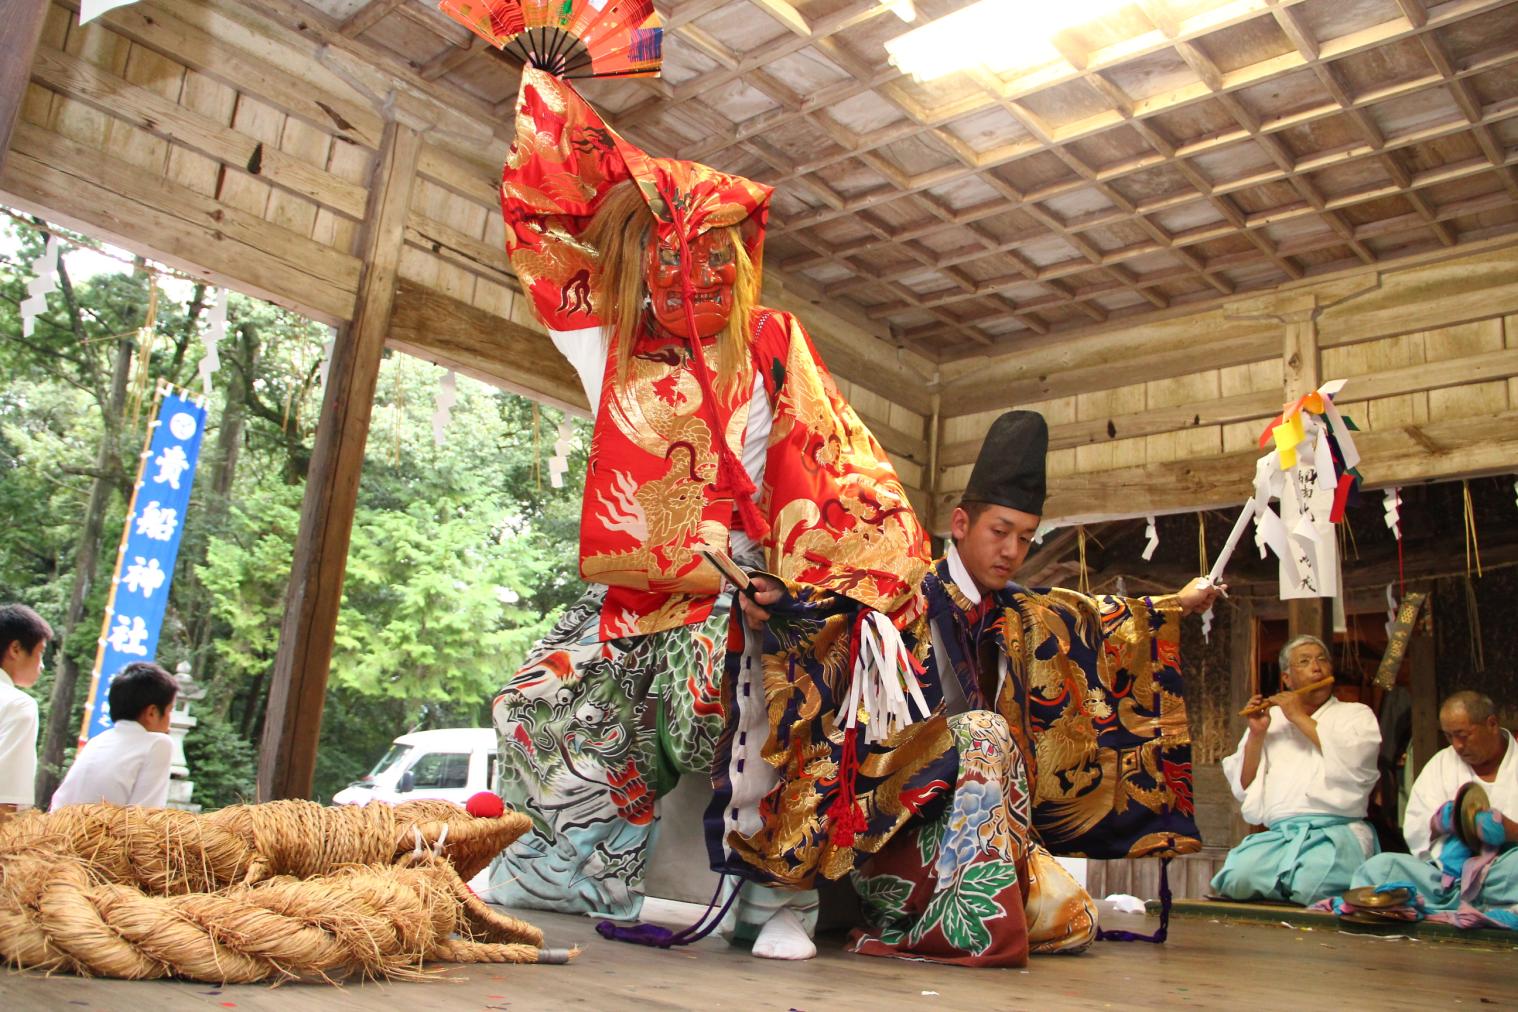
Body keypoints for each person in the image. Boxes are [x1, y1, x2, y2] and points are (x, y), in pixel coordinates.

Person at [485, 67, 929, 963]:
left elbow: (836, 455)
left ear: (746, 257)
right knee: (532, 694)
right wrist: (549, 91)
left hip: (766, 586)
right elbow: (542, 229)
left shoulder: (775, 343)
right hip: (647, 593)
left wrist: (833, 577)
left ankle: (775, 895)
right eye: (676, 255)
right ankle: (573, 864)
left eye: (719, 253)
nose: (700, 272)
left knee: (778, 681)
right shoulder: (615, 347)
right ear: (644, 265)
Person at [718, 410, 1219, 965]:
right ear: (961, 524)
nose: (1011, 551)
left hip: (976, 824)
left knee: (1076, 920)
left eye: (1025, 538)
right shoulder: (905, 588)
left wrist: (1179, 603)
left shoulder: (1021, 614)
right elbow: (834, 610)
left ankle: (928, 915)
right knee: (985, 731)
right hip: (889, 813)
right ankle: (935, 918)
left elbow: (1099, 615)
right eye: (999, 532)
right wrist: (779, 609)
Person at [1209, 635, 1381, 905]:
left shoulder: (1356, 714)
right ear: (1287, 679)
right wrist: (1256, 733)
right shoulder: (1272, 719)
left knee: (1313, 887)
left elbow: (1355, 761)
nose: (1317, 667)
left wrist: (1297, 716)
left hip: (1335, 835)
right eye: (1305, 661)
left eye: (1322, 659)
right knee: (1237, 879)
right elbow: (1244, 785)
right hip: (1281, 836)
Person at [1349, 691, 1517, 926]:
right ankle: (1475, 906)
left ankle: (1484, 907)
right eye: (1449, 736)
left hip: (1503, 873)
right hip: (1444, 880)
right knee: (1381, 867)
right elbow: (1416, 829)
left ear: (1491, 724)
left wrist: (1510, 832)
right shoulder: (1441, 764)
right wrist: (1441, 823)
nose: (1457, 745)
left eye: (1463, 735)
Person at [50, 661, 177, 810]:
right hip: (101, 832)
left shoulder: (97, 741)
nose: (170, 721)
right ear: (152, 713)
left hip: (58, 828)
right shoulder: (158, 744)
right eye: (170, 711)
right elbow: (145, 819)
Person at [0, 604, 51, 816]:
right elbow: (5, 804)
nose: (42, 666)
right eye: (41, 653)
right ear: (16, 649)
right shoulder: (18, 705)